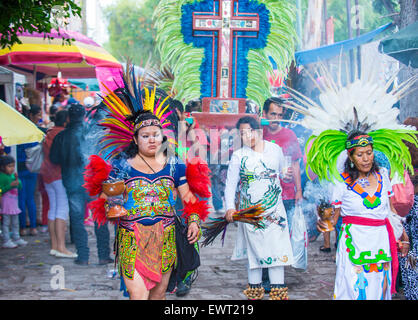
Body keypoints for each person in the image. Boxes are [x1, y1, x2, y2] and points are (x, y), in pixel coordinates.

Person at [83, 82, 210, 300]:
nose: (152, 139)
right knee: (138, 295)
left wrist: (194, 221)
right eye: (145, 135)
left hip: (166, 238)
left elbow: (188, 198)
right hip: (132, 237)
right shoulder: (122, 166)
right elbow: (104, 201)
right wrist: (111, 205)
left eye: (156, 134)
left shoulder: (174, 164)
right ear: (135, 139)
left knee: (158, 296)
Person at [316, 131, 410, 300]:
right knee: (354, 288)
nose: (366, 159)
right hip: (354, 242)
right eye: (360, 155)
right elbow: (333, 219)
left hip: (381, 242)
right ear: (350, 157)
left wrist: (404, 237)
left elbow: (391, 212)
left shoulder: (382, 176)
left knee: (380, 286)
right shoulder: (342, 183)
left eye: (369, 153)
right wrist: (323, 221)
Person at [224, 116, 294, 300]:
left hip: (274, 211)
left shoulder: (275, 150)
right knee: (253, 252)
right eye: (243, 133)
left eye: (250, 131)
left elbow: (283, 174)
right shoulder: (239, 156)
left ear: (259, 131)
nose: (248, 136)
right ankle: (254, 291)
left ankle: (278, 291)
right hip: (250, 213)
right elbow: (230, 185)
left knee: (276, 249)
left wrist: (287, 177)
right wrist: (230, 208)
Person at [50, 104, 112, 265]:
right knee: (99, 217)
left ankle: (83, 256)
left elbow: (54, 159)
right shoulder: (90, 134)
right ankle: (103, 255)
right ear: (84, 115)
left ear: (69, 117)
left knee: (77, 219)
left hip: (71, 183)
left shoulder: (61, 136)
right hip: (90, 182)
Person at [40, 110, 76, 258]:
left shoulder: (49, 132)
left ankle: (55, 246)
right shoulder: (64, 134)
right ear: (67, 120)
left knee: (53, 209)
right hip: (59, 175)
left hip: (47, 174)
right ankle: (61, 247)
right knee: (61, 209)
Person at [398, 117, 418, 300]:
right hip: (412, 206)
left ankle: (411, 291)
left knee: (409, 255)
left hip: (408, 208)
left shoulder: (400, 155)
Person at [17, 104, 44, 236]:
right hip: (32, 168)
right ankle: (33, 227)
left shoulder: (17, 132)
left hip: (20, 168)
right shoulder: (33, 131)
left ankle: (22, 227)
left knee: (21, 198)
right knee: (30, 198)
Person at [0, 155, 27, 248]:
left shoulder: (12, 175)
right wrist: (10, 186)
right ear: (3, 167)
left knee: (16, 222)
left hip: (14, 204)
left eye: (13, 166)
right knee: (6, 223)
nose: (12, 168)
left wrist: (17, 181)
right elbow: (1, 190)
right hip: (6, 205)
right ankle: (6, 239)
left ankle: (16, 237)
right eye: (9, 166)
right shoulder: (2, 177)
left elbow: (20, 187)